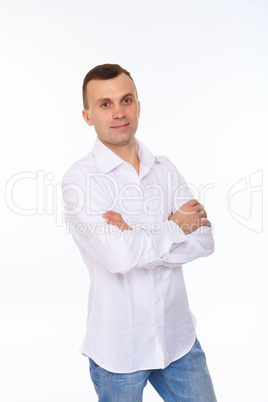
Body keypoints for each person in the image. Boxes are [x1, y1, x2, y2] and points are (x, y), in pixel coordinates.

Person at [62, 64, 217, 401]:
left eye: (126, 100)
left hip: (179, 341)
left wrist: (135, 237)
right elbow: (119, 258)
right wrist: (175, 226)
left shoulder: (165, 168)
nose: (118, 112)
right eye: (105, 104)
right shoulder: (81, 181)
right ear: (87, 116)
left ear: (139, 105)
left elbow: (205, 239)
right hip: (120, 352)